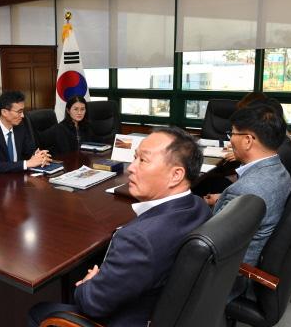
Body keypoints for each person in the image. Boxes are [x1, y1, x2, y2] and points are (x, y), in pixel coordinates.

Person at [28, 127, 212, 326]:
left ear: (176, 175)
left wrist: (87, 284)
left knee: (39, 311)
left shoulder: (139, 240)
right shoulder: (198, 206)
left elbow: (92, 304)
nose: (131, 167)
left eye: (143, 160)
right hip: (170, 307)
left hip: (131, 319)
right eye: (135, 158)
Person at [207, 104, 291, 268]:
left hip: (229, 271)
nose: (230, 140)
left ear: (247, 140)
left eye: (232, 133)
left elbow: (211, 242)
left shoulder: (246, 190)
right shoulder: (279, 169)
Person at [0, 90, 51, 179]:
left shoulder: (21, 127)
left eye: (23, 111)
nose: (23, 116)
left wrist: (38, 156)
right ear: (4, 112)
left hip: (16, 177)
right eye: (19, 112)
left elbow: (28, 152)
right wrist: (27, 163)